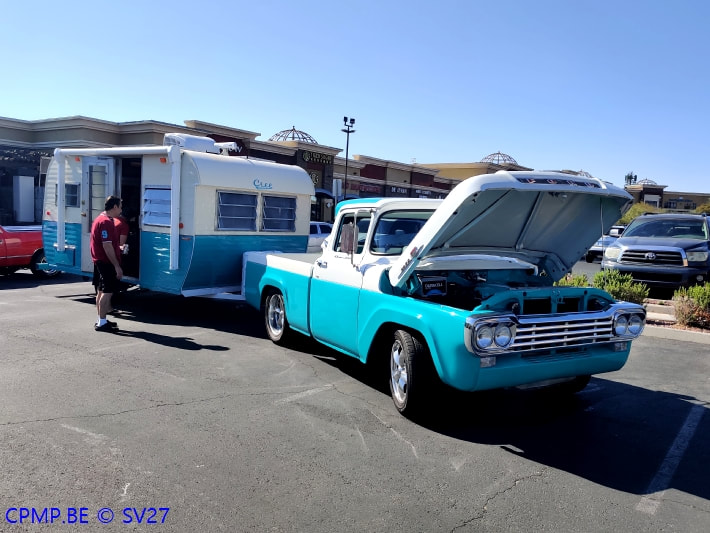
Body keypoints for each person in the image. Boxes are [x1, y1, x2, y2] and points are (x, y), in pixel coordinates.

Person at [90, 196, 124, 332]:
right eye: (120, 207)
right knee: (107, 291)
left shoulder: (99, 219)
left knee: (100, 290)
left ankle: (101, 319)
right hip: (105, 262)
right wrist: (116, 265)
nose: (121, 210)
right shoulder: (106, 222)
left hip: (98, 260)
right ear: (114, 207)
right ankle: (102, 323)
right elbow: (107, 245)